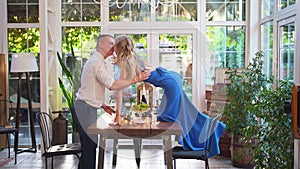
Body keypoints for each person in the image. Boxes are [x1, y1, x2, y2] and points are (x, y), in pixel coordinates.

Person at [113, 35, 226, 157]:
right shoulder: (134, 58)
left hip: (170, 83)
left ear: (118, 49)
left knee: (169, 118)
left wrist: (118, 116)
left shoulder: (126, 63)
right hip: (171, 78)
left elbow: (119, 89)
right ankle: (213, 127)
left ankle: (210, 130)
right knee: (187, 112)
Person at [73, 34, 150, 169]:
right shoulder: (96, 63)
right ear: (101, 45)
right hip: (84, 108)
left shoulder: (98, 61)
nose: (113, 46)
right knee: (90, 148)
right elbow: (113, 86)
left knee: (90, 147)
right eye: (110, 43)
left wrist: (103, 105)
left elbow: (90, 88)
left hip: (86, 107)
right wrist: (136, 79)